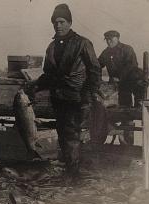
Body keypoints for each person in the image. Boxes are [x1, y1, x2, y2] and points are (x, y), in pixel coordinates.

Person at [27, 4, 101, 178]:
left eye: (62, 21)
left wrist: (88, 94)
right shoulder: (52, 47)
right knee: (64, 133)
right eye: (55, 22)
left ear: (69, 22)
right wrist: (34, 86)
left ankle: (75, 173)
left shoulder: (83, 43)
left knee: (73, 133)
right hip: (58, 97)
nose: (58, 25)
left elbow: (95, 70)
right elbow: (49, 74)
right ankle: (72, 168)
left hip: (77, 96)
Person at [98, 30, 147, 108]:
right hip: (120, 85)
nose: (108, 41)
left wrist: (119, 78)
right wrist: (99, 80)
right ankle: (127, 117)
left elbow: (131, 66)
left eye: (111, 39)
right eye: (107, 39)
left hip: (132, 80)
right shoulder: (106, 53)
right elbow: (97, 66)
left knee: (139, 104)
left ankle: (139, 106)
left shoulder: (127, 49)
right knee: (125, 106)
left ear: (117, 38)